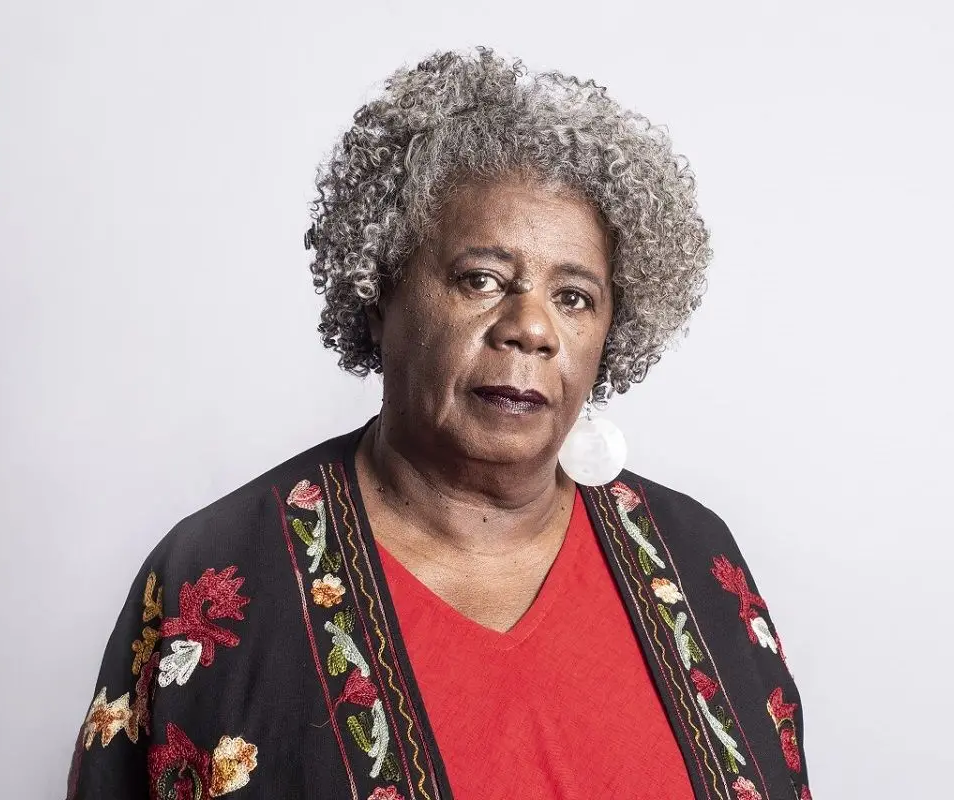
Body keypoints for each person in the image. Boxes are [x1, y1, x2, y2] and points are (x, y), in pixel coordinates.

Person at [67, 47, 813, 800]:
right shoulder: (216, 576)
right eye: (481, 279)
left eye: (574, 297)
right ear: (380, 290)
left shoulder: (696, 559)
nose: (531, 328)